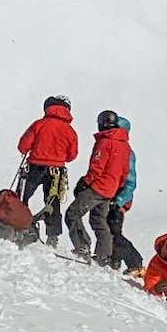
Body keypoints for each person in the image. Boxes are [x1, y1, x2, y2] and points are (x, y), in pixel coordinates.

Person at [65, 110, 132, 266]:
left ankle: (82, 247)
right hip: (111, 190)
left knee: (72, 214)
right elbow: (124, 171)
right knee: (99, 221)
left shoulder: (105, 141)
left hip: (98, 187)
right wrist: (118, 190)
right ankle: (104, 255)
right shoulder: (124, 146)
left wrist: (85, 183)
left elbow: (97, 167)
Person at [16, 95, 77, 246]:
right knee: (53, 202)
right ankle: (53, 236)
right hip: (57, 171)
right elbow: (72, 155)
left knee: (22, 198)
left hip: (34, 167)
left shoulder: (39, 124)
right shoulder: (70, 131)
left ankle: (20, 226)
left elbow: (23, 146)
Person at [106, 115, 142, 273]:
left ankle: (134, 262)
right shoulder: (115, 148)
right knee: (108, 229)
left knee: (113, 231)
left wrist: (119, 200)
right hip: (110, 196)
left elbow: (130, 182)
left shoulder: (127, 153)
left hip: (117, 199)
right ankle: (114, 260)